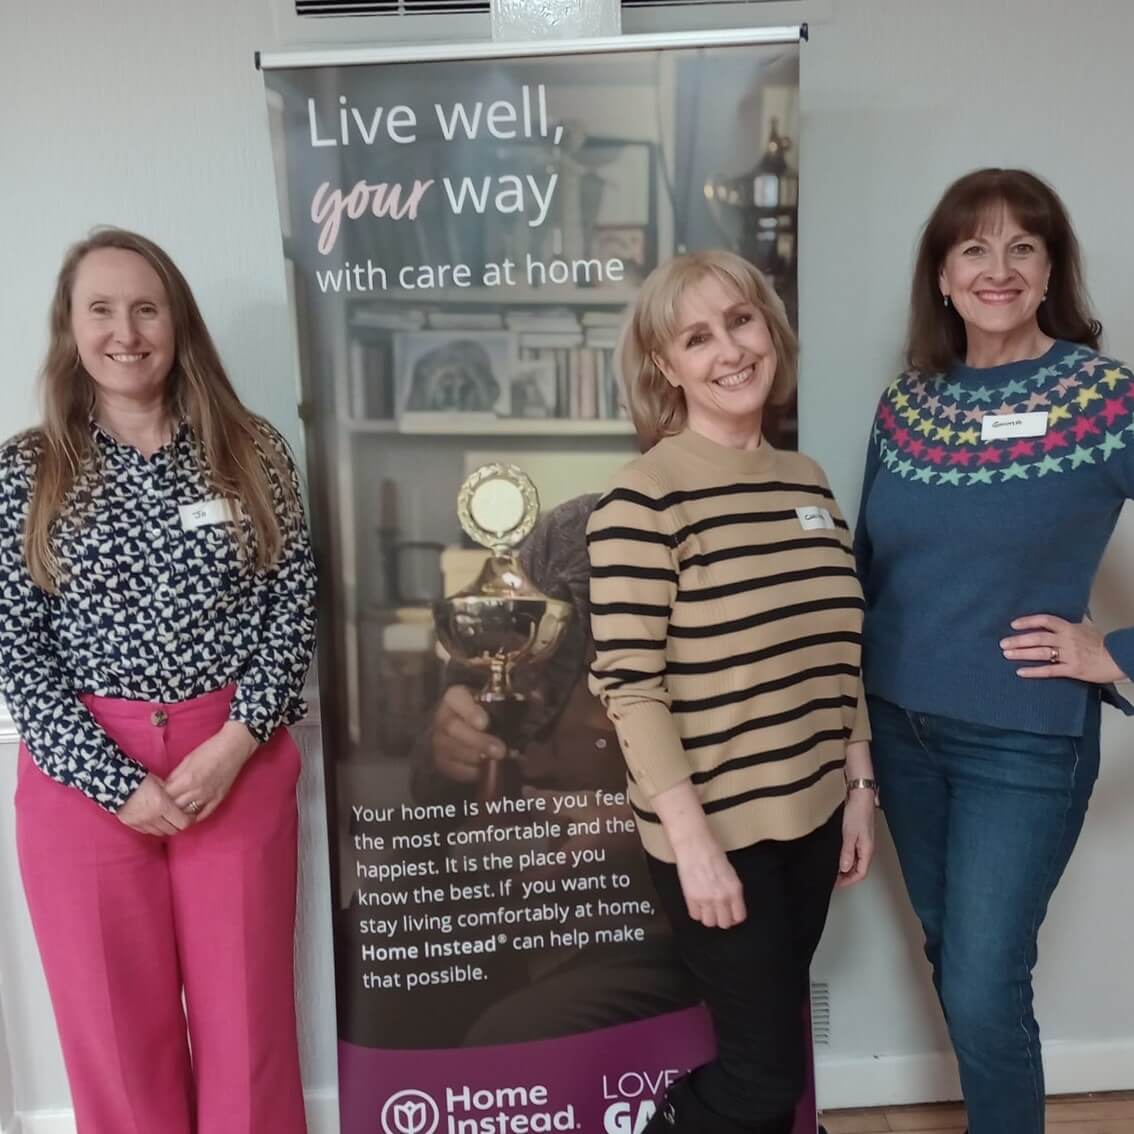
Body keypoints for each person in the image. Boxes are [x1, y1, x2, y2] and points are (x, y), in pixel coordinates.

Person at [0, 228, 317, 1134]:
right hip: (81, 780)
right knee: (112, 1030)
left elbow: (291, 607)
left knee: (247, 1022)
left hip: (236, 759)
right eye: (100, 309)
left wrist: (235, 743)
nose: (126, 331)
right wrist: (113, 781)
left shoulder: (251, 451)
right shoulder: (28, 469)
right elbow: (19, 651)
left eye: (146, 307)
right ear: (70, 327)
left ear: (178, 322)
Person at [854, 168, 1134, 1134]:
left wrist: (1119, 652)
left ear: (1052, 267)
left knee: (980, 981)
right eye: (973, 247)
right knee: (957, 961)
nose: (998, 267)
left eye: (1023, 246)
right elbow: (870, 571)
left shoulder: (1106, 399)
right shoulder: (907, 407)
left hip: (1023, 744)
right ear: (941, 274)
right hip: (900, 731)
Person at [587, 249, 876, 1134]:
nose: (730, 350)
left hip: (815, 815)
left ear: (770, 329)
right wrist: (692, 844)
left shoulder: (808, 480)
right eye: (697, 337)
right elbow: (630, 688)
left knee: (770, 1048)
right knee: (760, 1077)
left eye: (741, 321)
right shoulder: (642, 502)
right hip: (718, 834)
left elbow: (839, 651)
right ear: (665, 368)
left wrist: (859, 786)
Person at [336, 492, 697, 1050]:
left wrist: (631, 823)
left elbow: (770, 781)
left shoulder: (725, 555)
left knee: (514, 1036)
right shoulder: (558, 540)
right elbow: (434, 778)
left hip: (651, 915)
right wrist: (447, 747)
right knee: (366, 942)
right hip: (514, 891)